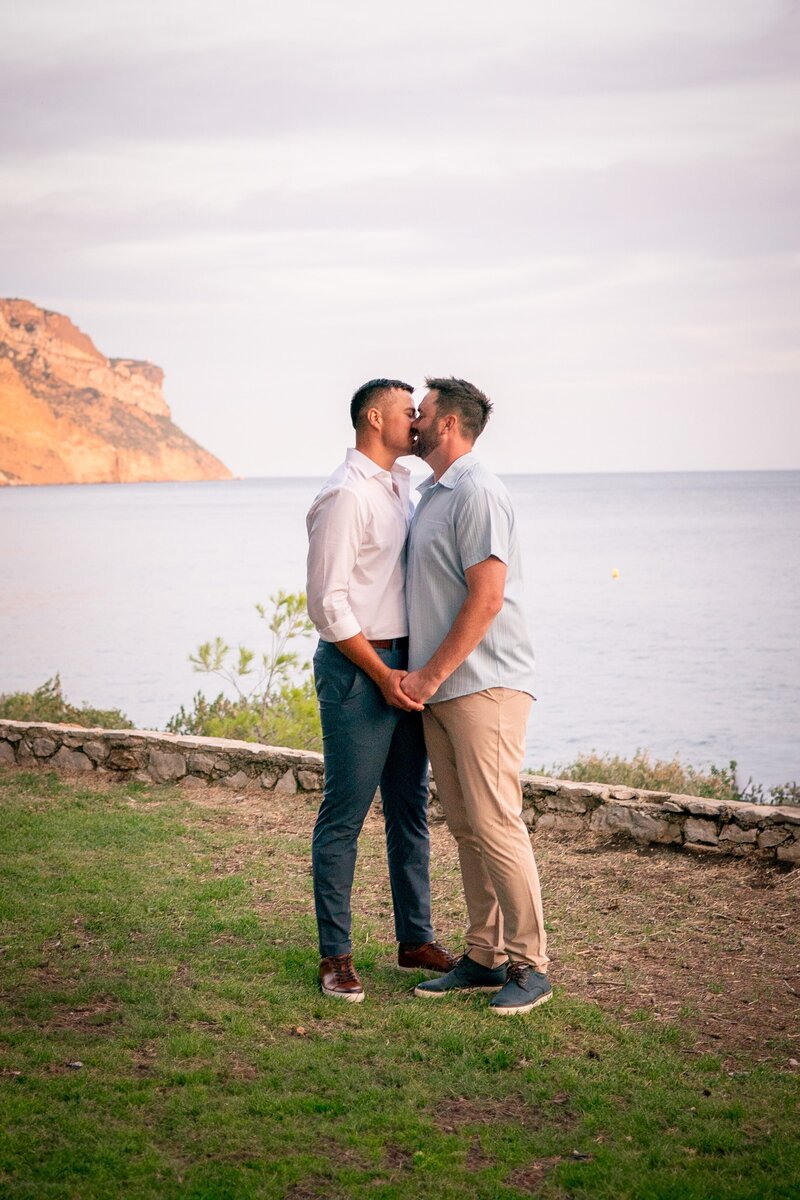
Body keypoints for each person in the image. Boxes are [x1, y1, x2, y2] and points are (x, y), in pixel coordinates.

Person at [401, 377, 552, 1015]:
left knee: (496, 822)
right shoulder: (433, 492)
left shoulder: (479, 491)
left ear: (449, 426)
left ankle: (530, 964)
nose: (413, 420)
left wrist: (428, 678)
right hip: (444, 690)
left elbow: (487, 598)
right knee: (466, 826)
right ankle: (486, 957)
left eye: (423, 412)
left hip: (483, 685)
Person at [305, 378, 456, 1002]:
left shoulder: (399, 487)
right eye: (406, 412)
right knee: (344, 815)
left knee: (409, 809)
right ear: (374, 418)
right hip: (360, 670)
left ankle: (414, 938)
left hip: (406, 668)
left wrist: (411, 671)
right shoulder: (344, 496)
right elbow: (328, 605)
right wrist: (382, 674)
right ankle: (335, 957)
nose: (417, 421)